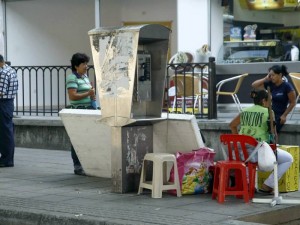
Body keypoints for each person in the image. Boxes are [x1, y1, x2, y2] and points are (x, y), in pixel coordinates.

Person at [229, 89, 293, 193]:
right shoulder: (268, 112)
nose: (271, 104)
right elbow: (273, 135)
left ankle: (247, 183)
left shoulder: (244, 111)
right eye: (270, 101)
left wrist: (238, 140)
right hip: (257, 155)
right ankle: (267, 185)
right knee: (288, 159)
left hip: (240, 153)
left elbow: (232, 125)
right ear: (264, 101)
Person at [66, 53, 96, 175]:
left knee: (88, 139)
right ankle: (78, 166)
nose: (86, 66)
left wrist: (92, 97)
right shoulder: (72, 78)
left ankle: (87, 164)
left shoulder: (84, 77)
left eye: (86, 63)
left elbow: (90, 93)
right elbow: (72, 96)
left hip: (89, 110)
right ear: (76, 66)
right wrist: (88, 94)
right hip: (79, 112)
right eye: (83, 64)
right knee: (77, 139)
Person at [251, 65, 296, 133]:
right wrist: (265, 78)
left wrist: (284, 115)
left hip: (279, 114)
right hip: (268, 112)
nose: (271, 77)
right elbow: (254, 85)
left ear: (280, 75)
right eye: (270, 75)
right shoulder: (270, 84)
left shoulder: (287, 86)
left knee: (271, 132)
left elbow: (293, 102)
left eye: (273, 75)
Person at [0, 55, 18, 167]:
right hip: (8, 103)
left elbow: (1, 91)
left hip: (3, 103)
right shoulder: (10, 70)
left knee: (5, 132)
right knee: (7, 131)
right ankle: (7, 158)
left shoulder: (3, 73)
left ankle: (7, 160)